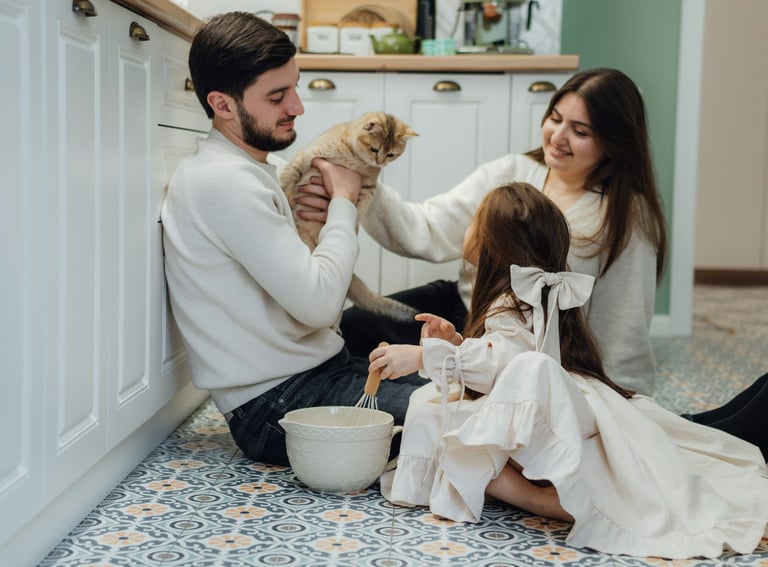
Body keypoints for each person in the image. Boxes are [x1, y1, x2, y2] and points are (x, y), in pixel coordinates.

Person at [368, 182, 768, 559]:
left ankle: (533, 496)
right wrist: (453, 344)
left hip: (553, 402)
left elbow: (505, 363)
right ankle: (513, 485)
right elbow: (497, 354)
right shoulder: (516, 295)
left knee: (457, 405)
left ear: (494, 243)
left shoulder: (514, 299)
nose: (468, 228)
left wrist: (423, 358)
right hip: (555, 397)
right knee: (437, 404)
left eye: (475, 221)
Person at [296, 67, 666, 396]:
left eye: (580, 131)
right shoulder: (510, 171)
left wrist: (623, 404)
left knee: (434, 389)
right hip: (463, 311)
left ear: (615, 144)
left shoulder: (628, 217)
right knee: (354, 328)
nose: (557, 136)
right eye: (555, 118)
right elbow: (425, 228)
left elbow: (623, 331)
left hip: (532, 347)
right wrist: (356, 182)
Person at [159, 12, 423, 466]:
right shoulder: (223, 182)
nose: (298, 107)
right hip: (276, 406)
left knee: (472, 395)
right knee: (476, 418)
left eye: (295, 87)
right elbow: (321, 304)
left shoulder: (250, 173)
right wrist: (344, 198)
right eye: (278, 96)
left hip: (316, 373)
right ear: (222, 105)